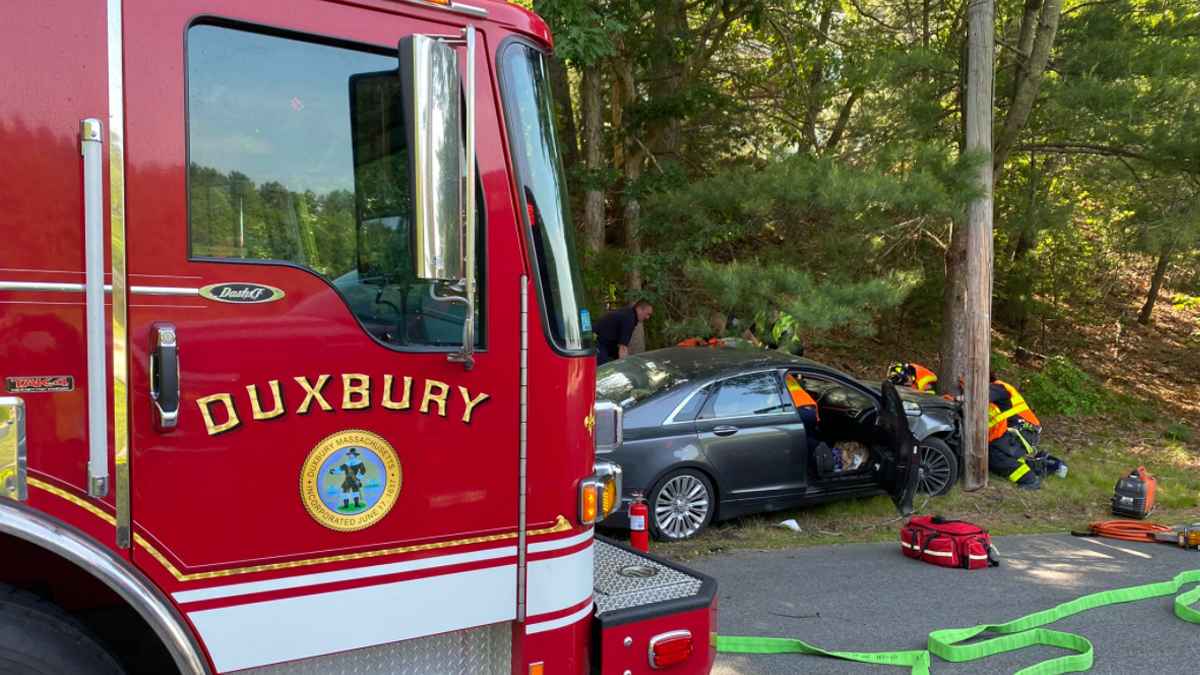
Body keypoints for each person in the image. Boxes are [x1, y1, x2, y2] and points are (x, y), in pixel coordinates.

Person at [986, 372, 1045, 489]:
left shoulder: (998, 388)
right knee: (994, 456)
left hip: (1025, 431)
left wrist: (959, 398)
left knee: (994, 454)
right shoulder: (997, 388)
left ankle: (1029, 480)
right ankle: (1036, 467)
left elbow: (980, 398)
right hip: (1020, 431)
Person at [594, 299, 653, 365]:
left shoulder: (627, 314)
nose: (647, 317)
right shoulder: (629, 320)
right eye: (647, 314)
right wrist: (624, 365)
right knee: (601, 368)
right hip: (598, 343)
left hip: (599, 342)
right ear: (639, 309)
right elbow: (623, 347)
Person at [785, 373, 820, 451]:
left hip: (796, 409)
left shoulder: (772, 377)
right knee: (807, 434)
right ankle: (816, 452)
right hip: (810, 408)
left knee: (796, 437)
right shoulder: (788, 376)